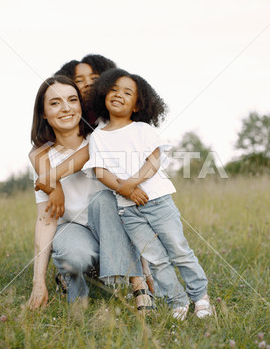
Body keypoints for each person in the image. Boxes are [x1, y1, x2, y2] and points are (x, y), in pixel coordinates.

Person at [75, 67, 212, 320]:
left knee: (178, 249)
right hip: (127, 209)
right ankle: (176, 300)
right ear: (104, 94)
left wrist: (133, 184)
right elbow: (100, 171)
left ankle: (200, 296)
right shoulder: (98, 137)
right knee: (155, 257)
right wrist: (123, 189)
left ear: (137, 105)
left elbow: (154, 159)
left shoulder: (143, 130)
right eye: (113, 90)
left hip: (157, 201)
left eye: (127, 92)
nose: (119, 95)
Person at [28, 75, 154, 311]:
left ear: (80, 106)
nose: (66, 108)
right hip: (72, 229)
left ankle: (138, 287)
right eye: (55, 103)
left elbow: (128, 205)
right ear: (43, 113)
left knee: (106, 199)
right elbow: (46, 220)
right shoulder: (41, 157)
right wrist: (38, 282)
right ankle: (75, 288)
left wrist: (144, 270)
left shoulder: (102, 139)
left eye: (72, 100)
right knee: (76, 254)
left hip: (113, 225)